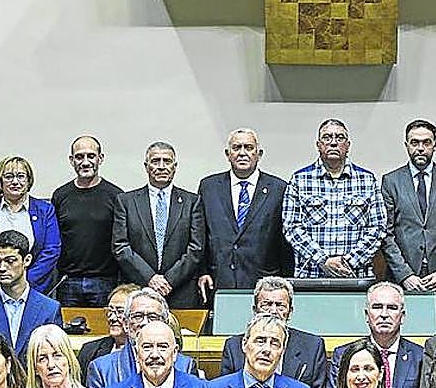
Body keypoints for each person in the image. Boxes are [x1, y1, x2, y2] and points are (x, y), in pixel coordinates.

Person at [380, 119, 436, 309]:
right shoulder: (391, 181)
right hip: (403, 279)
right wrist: (405, 275)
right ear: (406, 145)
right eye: (415, 143)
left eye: (426, 142)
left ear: (434, 146)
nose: (420, 148)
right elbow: (386, 234)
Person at [282, 118, 387, 279]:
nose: (333, 143)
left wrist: (348, 262)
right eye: (327, 137)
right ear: (318, 145)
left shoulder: (367, 180)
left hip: (355, 275)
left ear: (348, 146)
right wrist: (323, 260)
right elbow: (291, 227)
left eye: (340, 138)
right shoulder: (299, 180)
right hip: (311, 275)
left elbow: (378, 227)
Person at [196, 128, 292, 302]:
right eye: (236, 148)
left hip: (264, 286)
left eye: (248, 148)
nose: (242, 153)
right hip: (219, 282)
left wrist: (284, 281)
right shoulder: (209, 187)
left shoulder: (278, 189)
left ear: (259, 153)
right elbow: (200, 234)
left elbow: (284, 241)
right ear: (227, 154)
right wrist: (202, 271)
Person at [112, 141, 204, 308]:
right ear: (146, 166)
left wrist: (169, 280)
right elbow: (121, 246)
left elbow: (196, 248)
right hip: (138, 289)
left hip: (180, 291)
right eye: (155, 161)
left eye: (167, 161)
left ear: (175, 166)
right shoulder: (126, 201)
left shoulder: (192, 202)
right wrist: (150, 278)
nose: (161, 166)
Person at [219, 276, 328, 388]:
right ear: (255, 310)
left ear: (290, 311)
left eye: (280, 306)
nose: (273, 311)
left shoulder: (312, 346)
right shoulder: (233, 347)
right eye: (267, 304)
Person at [0, 156, 60, 297]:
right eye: (9, 176)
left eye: (21, 176)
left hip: (32, 290)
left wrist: (23, 285)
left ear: (28, 180)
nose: (15, 181)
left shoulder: (45, 210)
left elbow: (51, 250)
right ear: (0, 180)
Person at [0, 230, 63, 359]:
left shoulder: (49, 309)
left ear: (27, 260)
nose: (2, 268)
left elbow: (54, 358)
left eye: (10, 261)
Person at [51, 135, 123, 307]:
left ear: (101, 158)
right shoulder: (60, 195)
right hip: (68, 282)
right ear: (71, 160)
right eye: (79, 156)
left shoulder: (116, 196)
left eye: (91, 156)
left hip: (105, 282)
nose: (85, 162)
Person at [327, 282, 423, 388]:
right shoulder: (343, 354)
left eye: (392, 308)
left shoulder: (420, 356)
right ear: (367, 315)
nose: (384, 314)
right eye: (377, 307)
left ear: (402, 316)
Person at [85, 288, 197, 388]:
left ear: (165, 324)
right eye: (138, 316)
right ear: (126, 324)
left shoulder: (185, 366)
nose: (144, 323)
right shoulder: (101, 369)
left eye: (152, 317)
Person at [76, 283, 139, 377]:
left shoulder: (145, 351)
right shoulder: (89, 351)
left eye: (120, 311)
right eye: (110, 311)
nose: (112, 317)